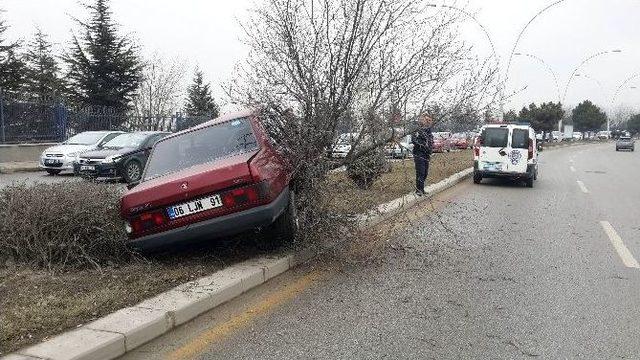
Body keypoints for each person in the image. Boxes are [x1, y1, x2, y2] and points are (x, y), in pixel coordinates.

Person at [411, 114, 434, 196]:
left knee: (425, 172)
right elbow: (414, 140)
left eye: (429, 120)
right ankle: (418, 190)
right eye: (425, 120)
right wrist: (424, 145)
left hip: (426, 154)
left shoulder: (428, 130)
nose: (427, 121)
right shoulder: (417, 129)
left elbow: (431, 141)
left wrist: (430, 149)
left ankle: (422, 189)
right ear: (421, 120)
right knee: (420, 172)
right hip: (419, 153)